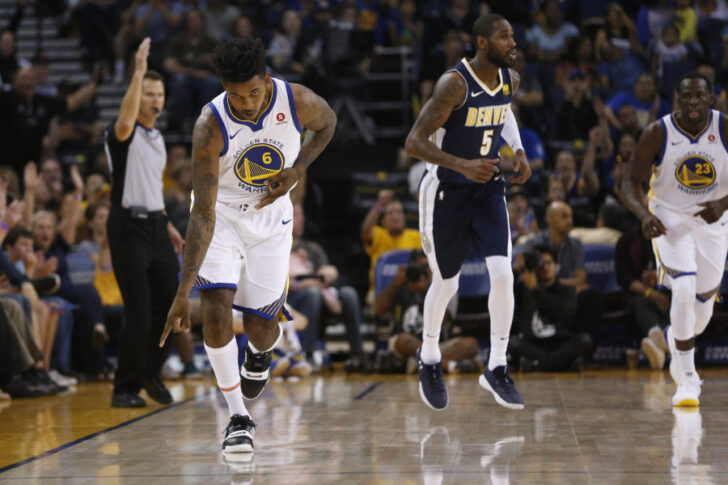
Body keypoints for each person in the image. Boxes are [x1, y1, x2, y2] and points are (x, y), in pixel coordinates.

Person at [161, 37, 336, 454]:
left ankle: (261, 355)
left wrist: (296, 170)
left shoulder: (297, 100)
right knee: (217, 306)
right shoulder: (210, 125)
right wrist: (183, 292)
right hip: (220, 216)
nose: (247, 104)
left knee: (262, 328)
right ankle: (239, 417)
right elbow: (201, 213)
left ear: (267, 80)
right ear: (223, 87)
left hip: (271, 219)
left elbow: (328, 124)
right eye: (236, 95)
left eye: (255, 93)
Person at [404, 13, 531, 411]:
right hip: (446, 190)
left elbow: (504, 111)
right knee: (447, 282)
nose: (513, 42)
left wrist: (519, 149)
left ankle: (496, 365)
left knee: (503, 274)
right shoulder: (453, 84)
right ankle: (428, 357)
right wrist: (462, 165)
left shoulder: (510, 79)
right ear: (482, 42)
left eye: (513, 35)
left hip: (488, 187)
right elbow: (414, 142)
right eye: (504, 37)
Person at [620, 72, 728, 407]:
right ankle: (687, 377)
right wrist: (645, 216)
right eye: (687, 97)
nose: (693, 103)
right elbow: (628, 182)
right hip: (669, 219)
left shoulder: (724, 127)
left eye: (699, 96)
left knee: (702, 311)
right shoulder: (657, 132)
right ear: (677, 101)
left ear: (710, 98)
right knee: (681, 288)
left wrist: (723, 203)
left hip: (715, 220)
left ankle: (674, 339)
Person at [105, 38, 184, 408]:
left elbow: (152, 187)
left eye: (159, 94)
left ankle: (151, 373)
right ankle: (124, 387)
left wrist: (167, 223)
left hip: (155, 226)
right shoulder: (123, 133)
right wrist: (138, 70)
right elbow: (124, 120)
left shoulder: (158, 138)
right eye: (148, 93)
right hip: (127, 229)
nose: (154, 100)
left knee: (170, 305)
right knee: (137, 310)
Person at [375, 250, 480, 374]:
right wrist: (394, 285)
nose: (421, 271)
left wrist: (425, 291)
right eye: (417, 266)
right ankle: (447, 364)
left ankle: (423, 364)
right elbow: (378, 310)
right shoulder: (399, 285)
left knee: (471, 344)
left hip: (437, 344)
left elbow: (445, 318)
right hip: (407, 345)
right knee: (405, 340)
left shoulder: (444, 285)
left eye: (425, 267)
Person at [510, 246, 593, 372]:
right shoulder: (524, 289)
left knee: (585, 341)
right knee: (512, 343)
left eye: (549, 263)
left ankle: (536, 365)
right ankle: (563, 364)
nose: (545, 267)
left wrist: (535, 290)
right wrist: (516, 270)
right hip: (533, 344)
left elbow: (562, 313)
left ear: (556, 266)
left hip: (560, 342)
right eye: (541, 264)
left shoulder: (567, 290)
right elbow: (503, 296)